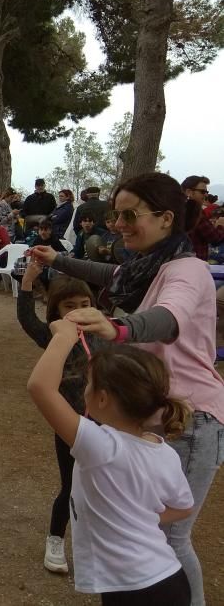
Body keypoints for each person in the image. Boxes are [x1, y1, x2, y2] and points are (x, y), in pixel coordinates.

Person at [30, 172, 224, 605]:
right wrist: (56, 260)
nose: (118, 224)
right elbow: (108, 271)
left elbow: (167, 318)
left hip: (190, 417)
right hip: (155, 411)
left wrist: (118, 328)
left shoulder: (187, 270)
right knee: (155, 534)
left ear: (165, 218)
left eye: (129, 215)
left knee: (171, 539)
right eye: (117, 215)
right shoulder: (146, 266)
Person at [26, 324, 193, 605]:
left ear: (102, 398)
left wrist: (64, 336)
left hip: (134, 591)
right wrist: (139, 519)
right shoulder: (164, 451)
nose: (84, 390)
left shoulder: (101, 445)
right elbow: (183, 507)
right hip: (169, 579)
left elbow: (40, 387)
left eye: (88, 383)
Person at [17, 265, 104, 576]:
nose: (79, 312)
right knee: (71, 485)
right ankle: (55, 539)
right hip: (72, 425)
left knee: (106, 487)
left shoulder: (105, 333)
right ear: (57, 309)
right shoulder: (55, 337)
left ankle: (98, 545)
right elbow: (27, 319)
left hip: (108, 426)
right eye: (70, 306)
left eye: (85, 304)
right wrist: (28, 280)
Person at [182, 176, 224, 261]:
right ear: (189, 192)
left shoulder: (176, 209)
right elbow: (215, 239)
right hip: (196, 263)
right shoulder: (195, 212)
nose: (206, 195)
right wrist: (220, 225)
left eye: (206, 192)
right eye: (202, 192)